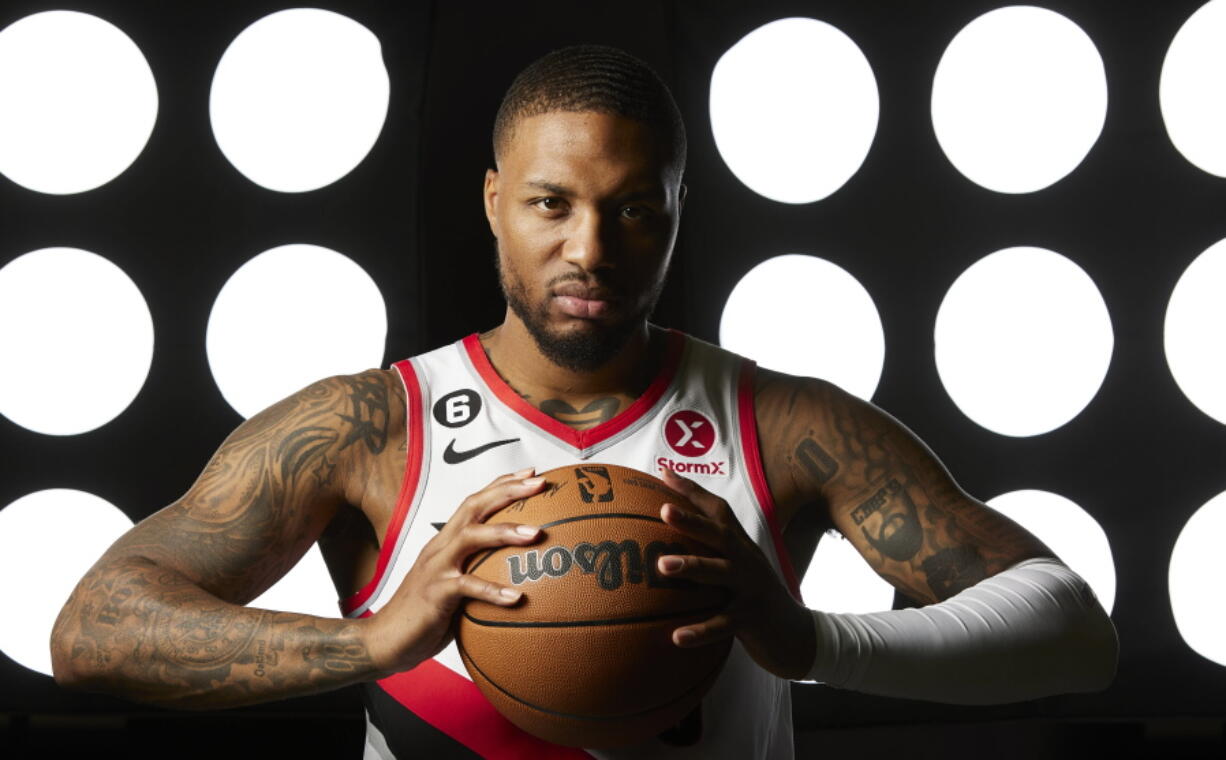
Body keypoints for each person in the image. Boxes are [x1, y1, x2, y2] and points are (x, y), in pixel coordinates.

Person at [50, 45, 1118, 759]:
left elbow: (1072, 627)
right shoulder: (372, 426)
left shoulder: (784, 423)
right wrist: (371, 645)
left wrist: (808, 639)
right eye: (549, 204)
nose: (589, 249)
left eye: (633, 210)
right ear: (491, 201)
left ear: (677, 210)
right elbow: (94, 627)